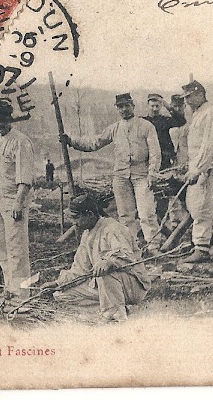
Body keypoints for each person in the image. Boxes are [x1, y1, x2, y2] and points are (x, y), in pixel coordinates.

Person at [65, 93, 161, 247]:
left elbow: (155, 152)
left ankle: (154, 245)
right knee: (126, 215)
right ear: (117, 109)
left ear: (133, 106)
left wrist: (153, 173)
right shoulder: (115, 128)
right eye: (120, 107)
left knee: (146, 213)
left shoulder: (146, 126)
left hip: (141, 175)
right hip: (121, 176)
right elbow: (95, 143)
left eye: (126, 106)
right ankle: (131, 245)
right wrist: (71, 141)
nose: (124, 110)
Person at [40, 194, 150, 322]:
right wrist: (58, 283)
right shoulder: (87, 234)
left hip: (133, 285)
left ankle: (116, 318)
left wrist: (109, 262)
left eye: (77, 217)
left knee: (105, 273)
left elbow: (126, 255)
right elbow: (80, 270)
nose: (74, 223)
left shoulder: (112, 228)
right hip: (108, 286)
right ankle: (116, 309)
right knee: (61, 295)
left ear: (90, 215)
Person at [0, 99, 36, 302]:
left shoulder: (20, 142)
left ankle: (22, 294)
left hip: (13, 202)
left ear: (10, 119)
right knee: (1, 249)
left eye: (2, 120)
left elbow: (25, 178)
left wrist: (18, 203)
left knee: (17, 250)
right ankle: (10, 288)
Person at [180, 80, 213, 263]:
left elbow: (210, 145)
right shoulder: (198, 113)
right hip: (199, 165)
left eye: (189, 97)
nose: (187, 101)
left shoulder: (210, 113)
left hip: (209, 165)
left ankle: (201, 248)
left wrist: (199, 169)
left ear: (200, 94)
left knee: (200, 205)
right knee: (193, 204)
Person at [143, 93, 187, 170]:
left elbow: (181, 121)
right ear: (147, 106)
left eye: (157, 106)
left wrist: (168, 107)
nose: (155, 109)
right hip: (148, 158)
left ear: (161, 106)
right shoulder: (143, 121)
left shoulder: (165, 120)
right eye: (152, 106)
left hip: (164, 158)